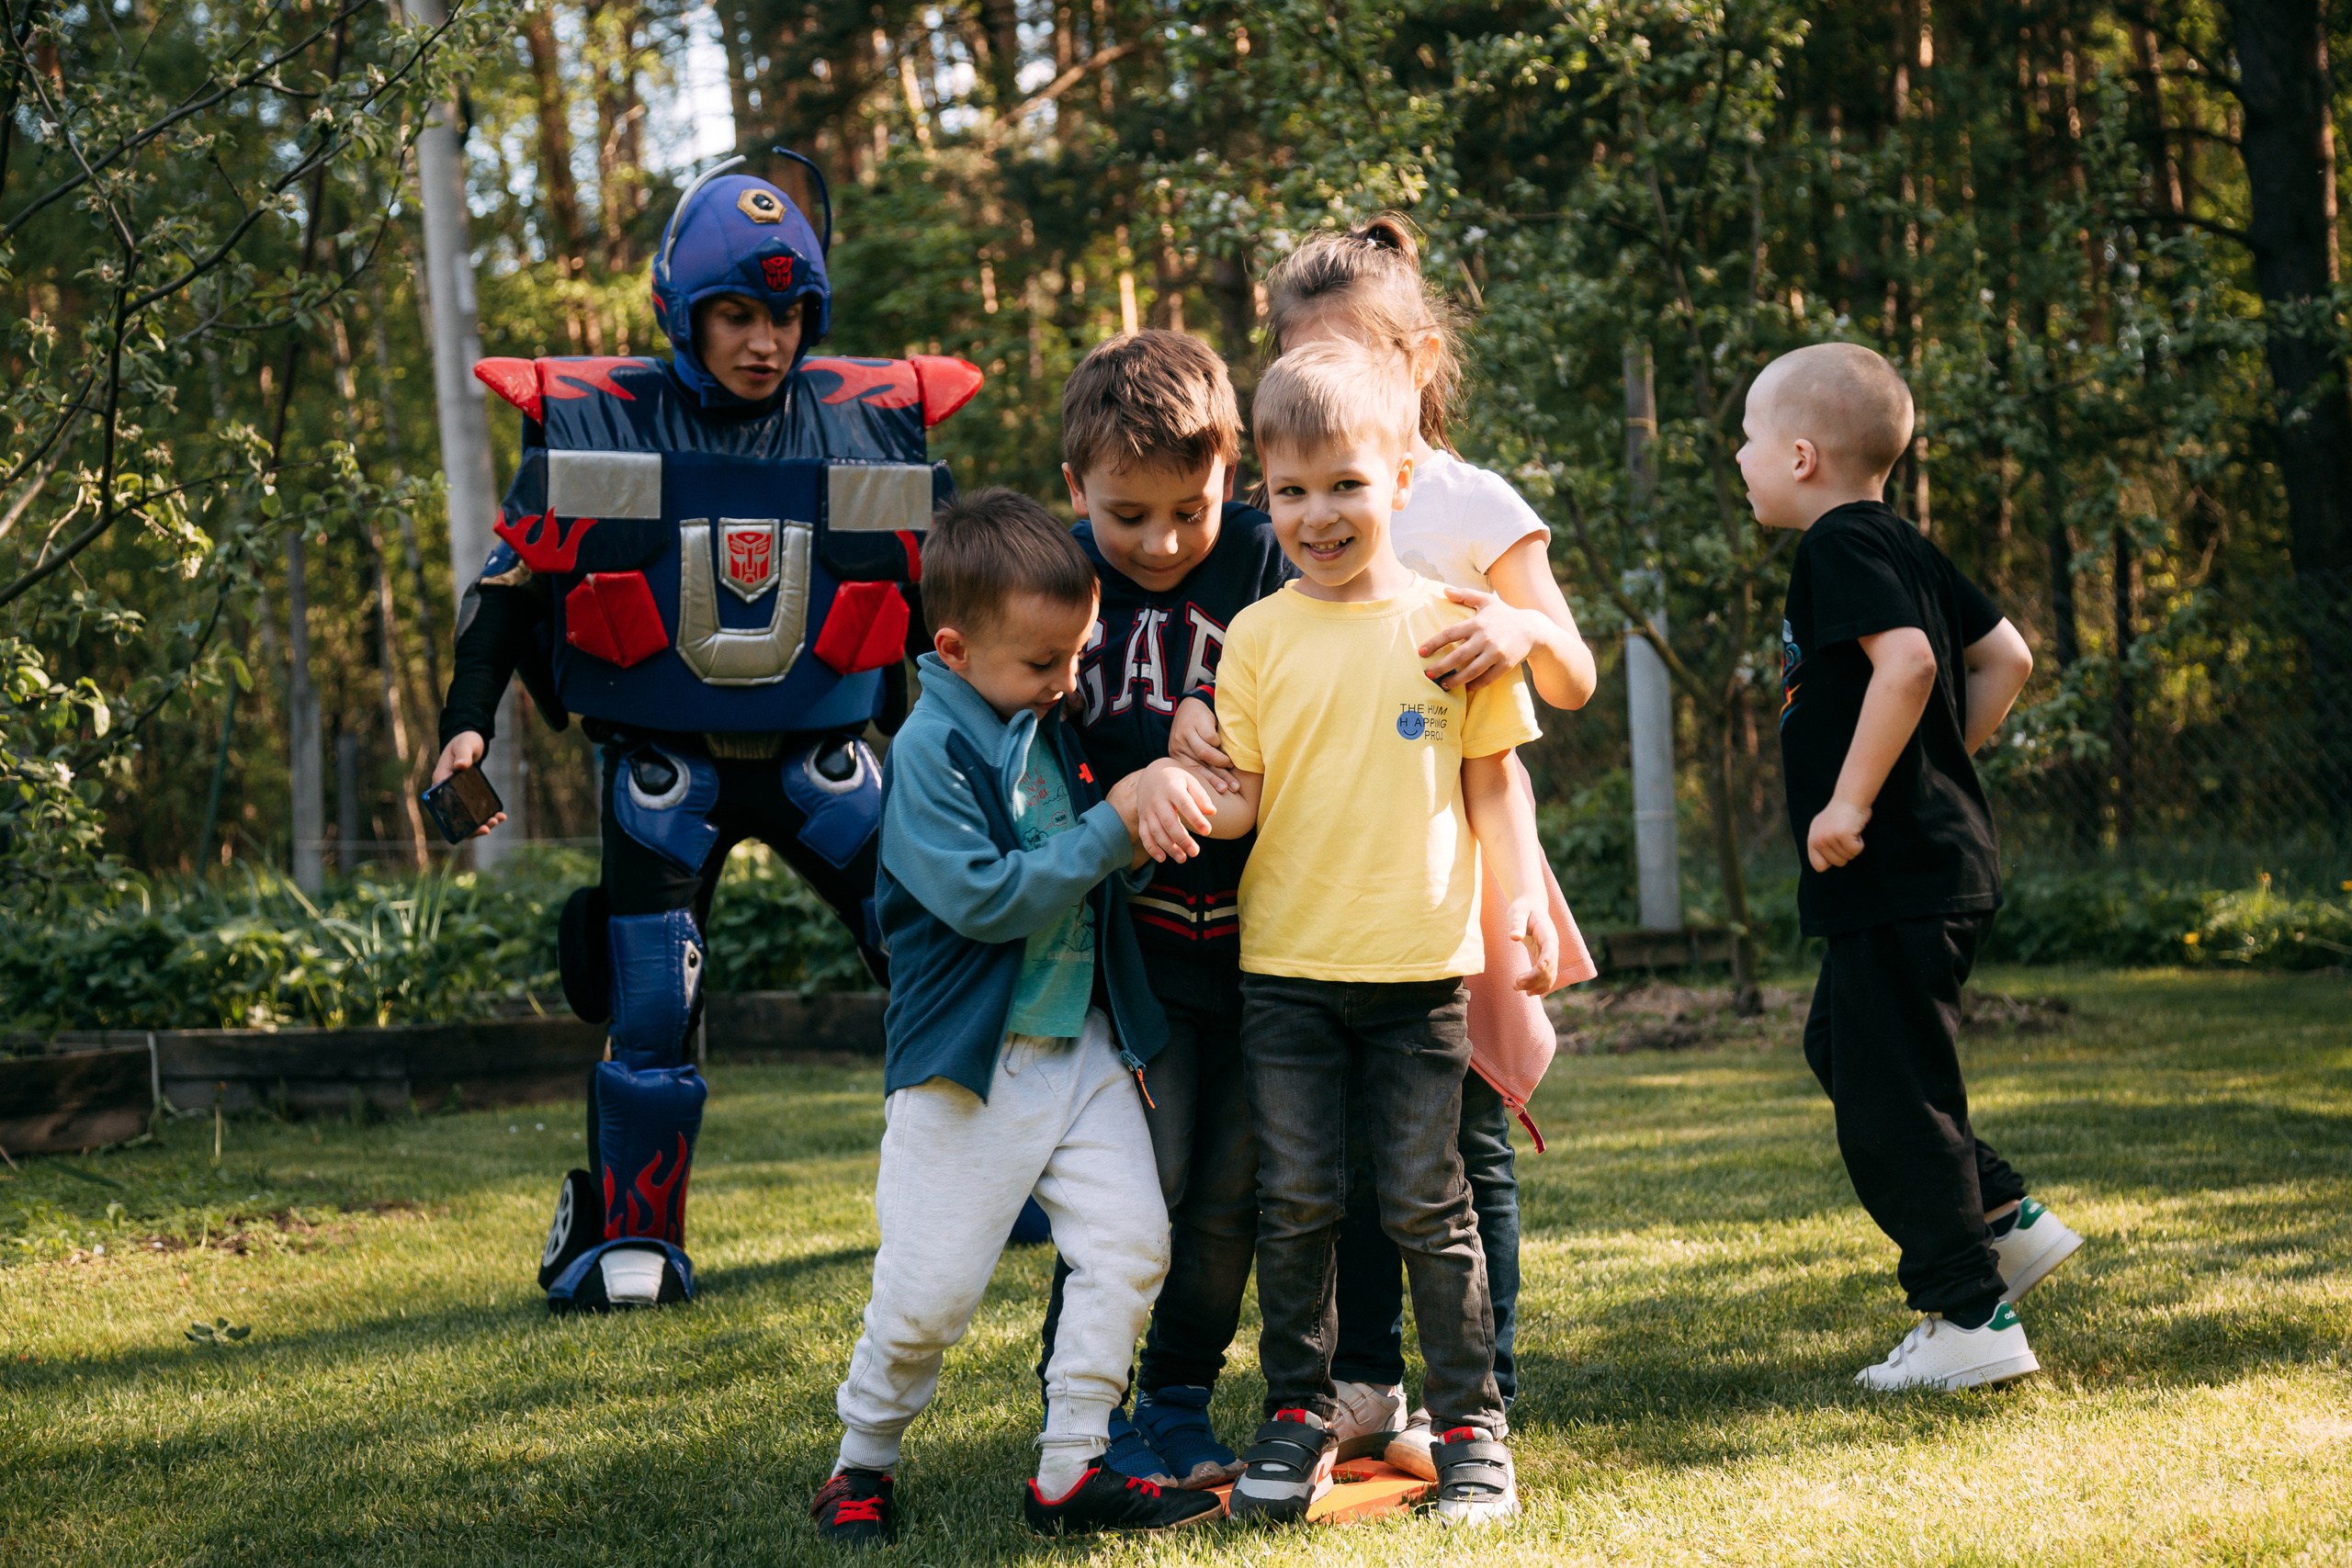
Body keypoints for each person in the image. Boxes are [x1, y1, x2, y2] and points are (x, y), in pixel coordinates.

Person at [432, 152, 984, 1311]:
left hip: (827, 763)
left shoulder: (871, 427)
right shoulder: (598, 422)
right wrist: (463, 729)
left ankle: (1013, 1184)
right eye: (738, 311)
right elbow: (508, 599)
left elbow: (960, 598)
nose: (764, 340)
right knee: (649, 1010)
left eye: (786, 313)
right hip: (661, 773)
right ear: (680, 310)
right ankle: (630, 1237)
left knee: (940, 953)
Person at [1201, 214, 1600, 1474]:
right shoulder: (1288, 519)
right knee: (1338, 1160)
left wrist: (1517, 636)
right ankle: (1362, 1381)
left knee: (1456, 1151)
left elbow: (1573, 672)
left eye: (1351, 358)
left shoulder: (1469, 498)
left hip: (1451, 860)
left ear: (1416, 359)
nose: (1322, 387)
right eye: (1291, 356)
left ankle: (1487, 1392)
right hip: (1322, 875)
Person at [1144, 342, 1557, 1527]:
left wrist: (1520, 901)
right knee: (1300, 1201)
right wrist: (1164, 786)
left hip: (1421, 974)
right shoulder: (1257, 637)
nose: (1316, 514)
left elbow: (1492, 786)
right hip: (1283, 977)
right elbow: (1245, 802)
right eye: (1289, 491)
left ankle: (1472, 1425)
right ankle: (1296, 1414)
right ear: (1261, 492)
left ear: (1404, 483)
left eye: (1346, 485)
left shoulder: (1459, 626)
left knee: (1429, 1206)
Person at [810, 491, 1224, 1545]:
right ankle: (862, 1461)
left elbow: (1094, 856)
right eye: (1044, 664)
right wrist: (1113, 828)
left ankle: (1071, 1465)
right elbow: (988, 898)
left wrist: (1153, 806)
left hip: (1080, 1048)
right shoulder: (926, 753)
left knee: (1131, 1245)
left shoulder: (1044, 720)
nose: (1067, 682)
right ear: (952, 648)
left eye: (1077, 657)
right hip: (971, 1066)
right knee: (927, 1299)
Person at [1740, 341, 2085, 1390]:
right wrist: (1935, 761)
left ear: (1801, 456)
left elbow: (1915, 662)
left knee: (1891, 1093)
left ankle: (1968, 1313)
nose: (1741, 460)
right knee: (1849, 1048)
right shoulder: (1899, 540)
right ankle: (2003, 1220)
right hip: (1932, 859)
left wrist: (1855, 797)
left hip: (1893, 868)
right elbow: (2007, 657)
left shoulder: (1838, 546)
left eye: (1749, 442)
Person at [1012, 331, 1294, 1490]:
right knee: (1142, 1190)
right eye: (1129, 516)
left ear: (1237, 474)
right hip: (1125, 959)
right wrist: (1126, 771)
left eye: (1194, 508)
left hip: (1269, 940)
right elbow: (1019, 744)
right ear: (1075, 489)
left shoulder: (1275, 564)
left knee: (1236, 1189)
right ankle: (1090, 1400)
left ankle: (1180, 1392)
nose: (1165, 542)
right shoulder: (1050, 581)